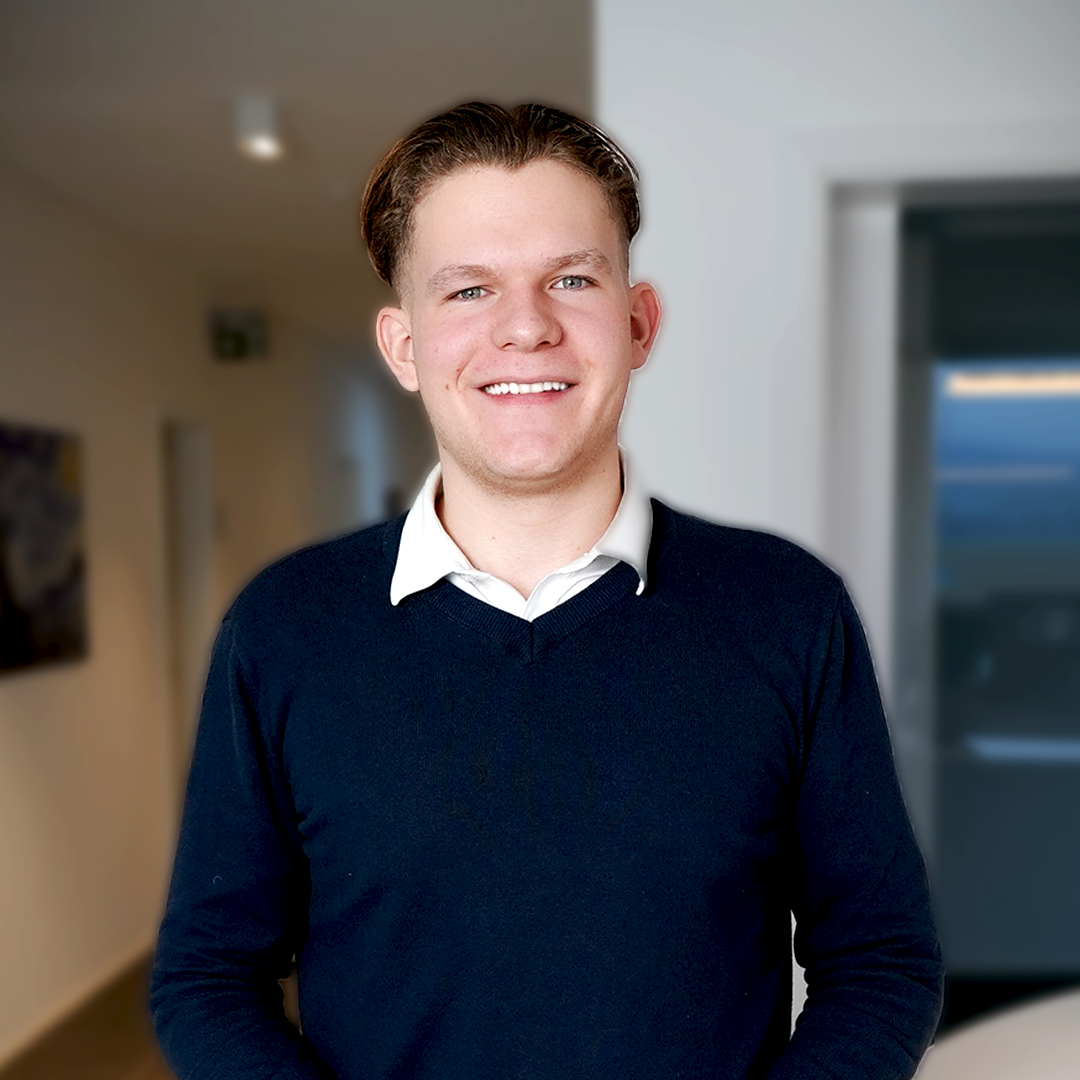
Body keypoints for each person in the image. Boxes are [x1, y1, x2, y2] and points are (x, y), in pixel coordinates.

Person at [151, 102, 943, 1080]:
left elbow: (881, 961)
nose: (526, 327)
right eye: (468, 290)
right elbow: (206, 977)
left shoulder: (789, 611)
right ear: (403, 347)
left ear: (637, 323)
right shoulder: (284, 630)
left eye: (571, 279)